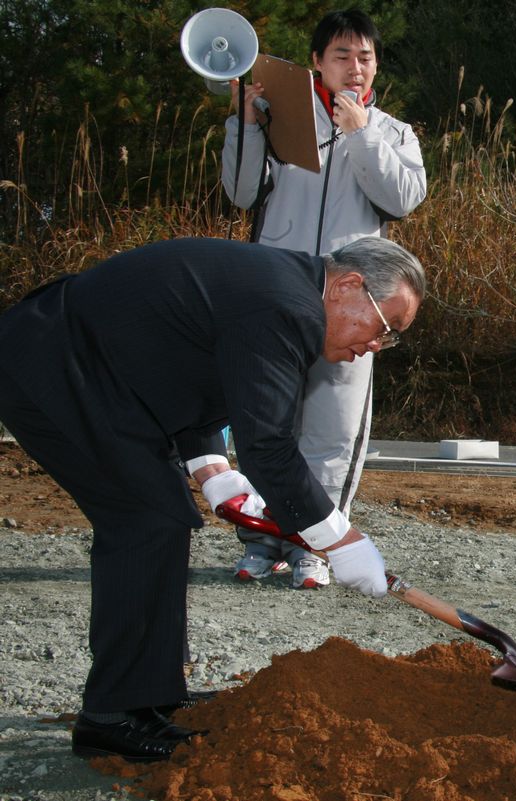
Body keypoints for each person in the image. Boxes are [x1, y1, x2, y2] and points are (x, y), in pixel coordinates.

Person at [0, 235, 425, 762]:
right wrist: (340, 540)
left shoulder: (281, 291)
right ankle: (111, 717)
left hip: (94, 371)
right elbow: (267, 446)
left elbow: (190, 361)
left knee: (161, 516)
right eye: (385, 329)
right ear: (348, 286)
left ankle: (147, 698)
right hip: (57, 364)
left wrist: (211, 466)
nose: (375, 348)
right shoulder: (284, 306)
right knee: (147, 518)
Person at [221, 9, 426, 589]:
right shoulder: (279, 118)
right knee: (269, 423)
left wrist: (360, 133)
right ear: (317, 60)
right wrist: (245, 124)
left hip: (352, 307)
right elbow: (239, 193)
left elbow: (403, 197)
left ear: (376, 64)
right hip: (277, 294)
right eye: (341, 55)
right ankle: (262, 541)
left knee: (334, 432)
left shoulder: (393, 133)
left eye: (364, 57)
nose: (354, 67)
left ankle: (316, 545)